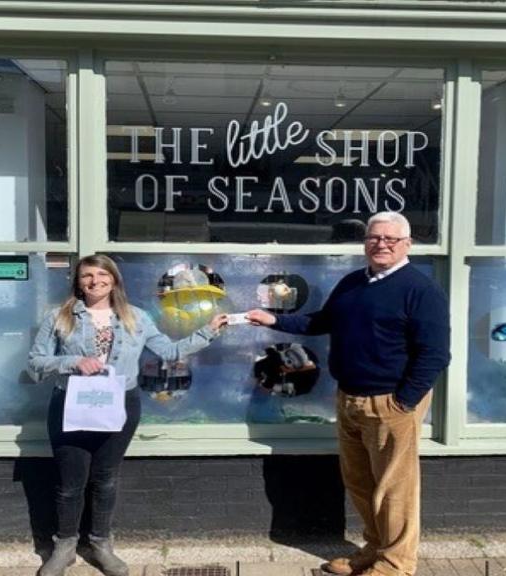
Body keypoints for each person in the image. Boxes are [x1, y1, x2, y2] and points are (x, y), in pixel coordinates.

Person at [246, 212, 450, 576]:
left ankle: (396, 564)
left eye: (391, 239)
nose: (381, 244)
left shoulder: (421, 290)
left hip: (391, 403)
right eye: (375, 237)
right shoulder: (354, 282)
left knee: (394, 490)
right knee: (360, 483)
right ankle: (373, 549)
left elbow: (435, 354)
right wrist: (274, 320)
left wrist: (404, 401)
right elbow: (321, 321)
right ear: (365, 241)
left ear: (407, 245)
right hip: (350, 398)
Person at [28, 254, 227, 576]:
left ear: (115, 279)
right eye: (87, 276)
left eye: (102, 275)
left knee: (105, 479)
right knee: (70, 483)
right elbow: (36, 363)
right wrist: (71, 362)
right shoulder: (59, 317)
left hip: (120, 403)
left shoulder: (136, 317)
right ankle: (64, 547)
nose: (95, 281)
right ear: (78, 281)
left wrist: (209, 331)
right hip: (71, 403)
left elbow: (170, 352)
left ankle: (100, 544)